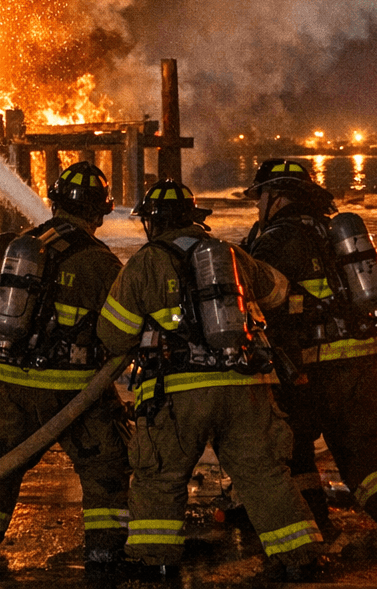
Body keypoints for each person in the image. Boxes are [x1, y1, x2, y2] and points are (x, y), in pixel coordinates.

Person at [97, 178, 326, 584]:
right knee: (264, 474)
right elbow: (279, 293)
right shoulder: (230, 255)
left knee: (160, 476)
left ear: (152, 222)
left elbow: (114, 334)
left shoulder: (146, 262)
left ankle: (156, 560)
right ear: (194, 218)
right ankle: (300, 556)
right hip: (245, 384)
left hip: (177, 393)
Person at [0, 160, 131, 579]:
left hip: (6, 379)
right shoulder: (99, 262)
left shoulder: (26, 244)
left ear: (56, 201)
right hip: (71, 389)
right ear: (100, 211)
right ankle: (106, 550)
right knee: (105, 465)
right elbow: (121, 331)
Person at [243, 158, 377, 531]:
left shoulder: (276, 240)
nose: (258, 207)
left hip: (314, 365)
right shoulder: (330, 229)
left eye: (259, 198)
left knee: (293, 449)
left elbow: (253, 299)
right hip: (364, 358)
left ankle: (311, 525)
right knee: (358, 445)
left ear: (276, 197)